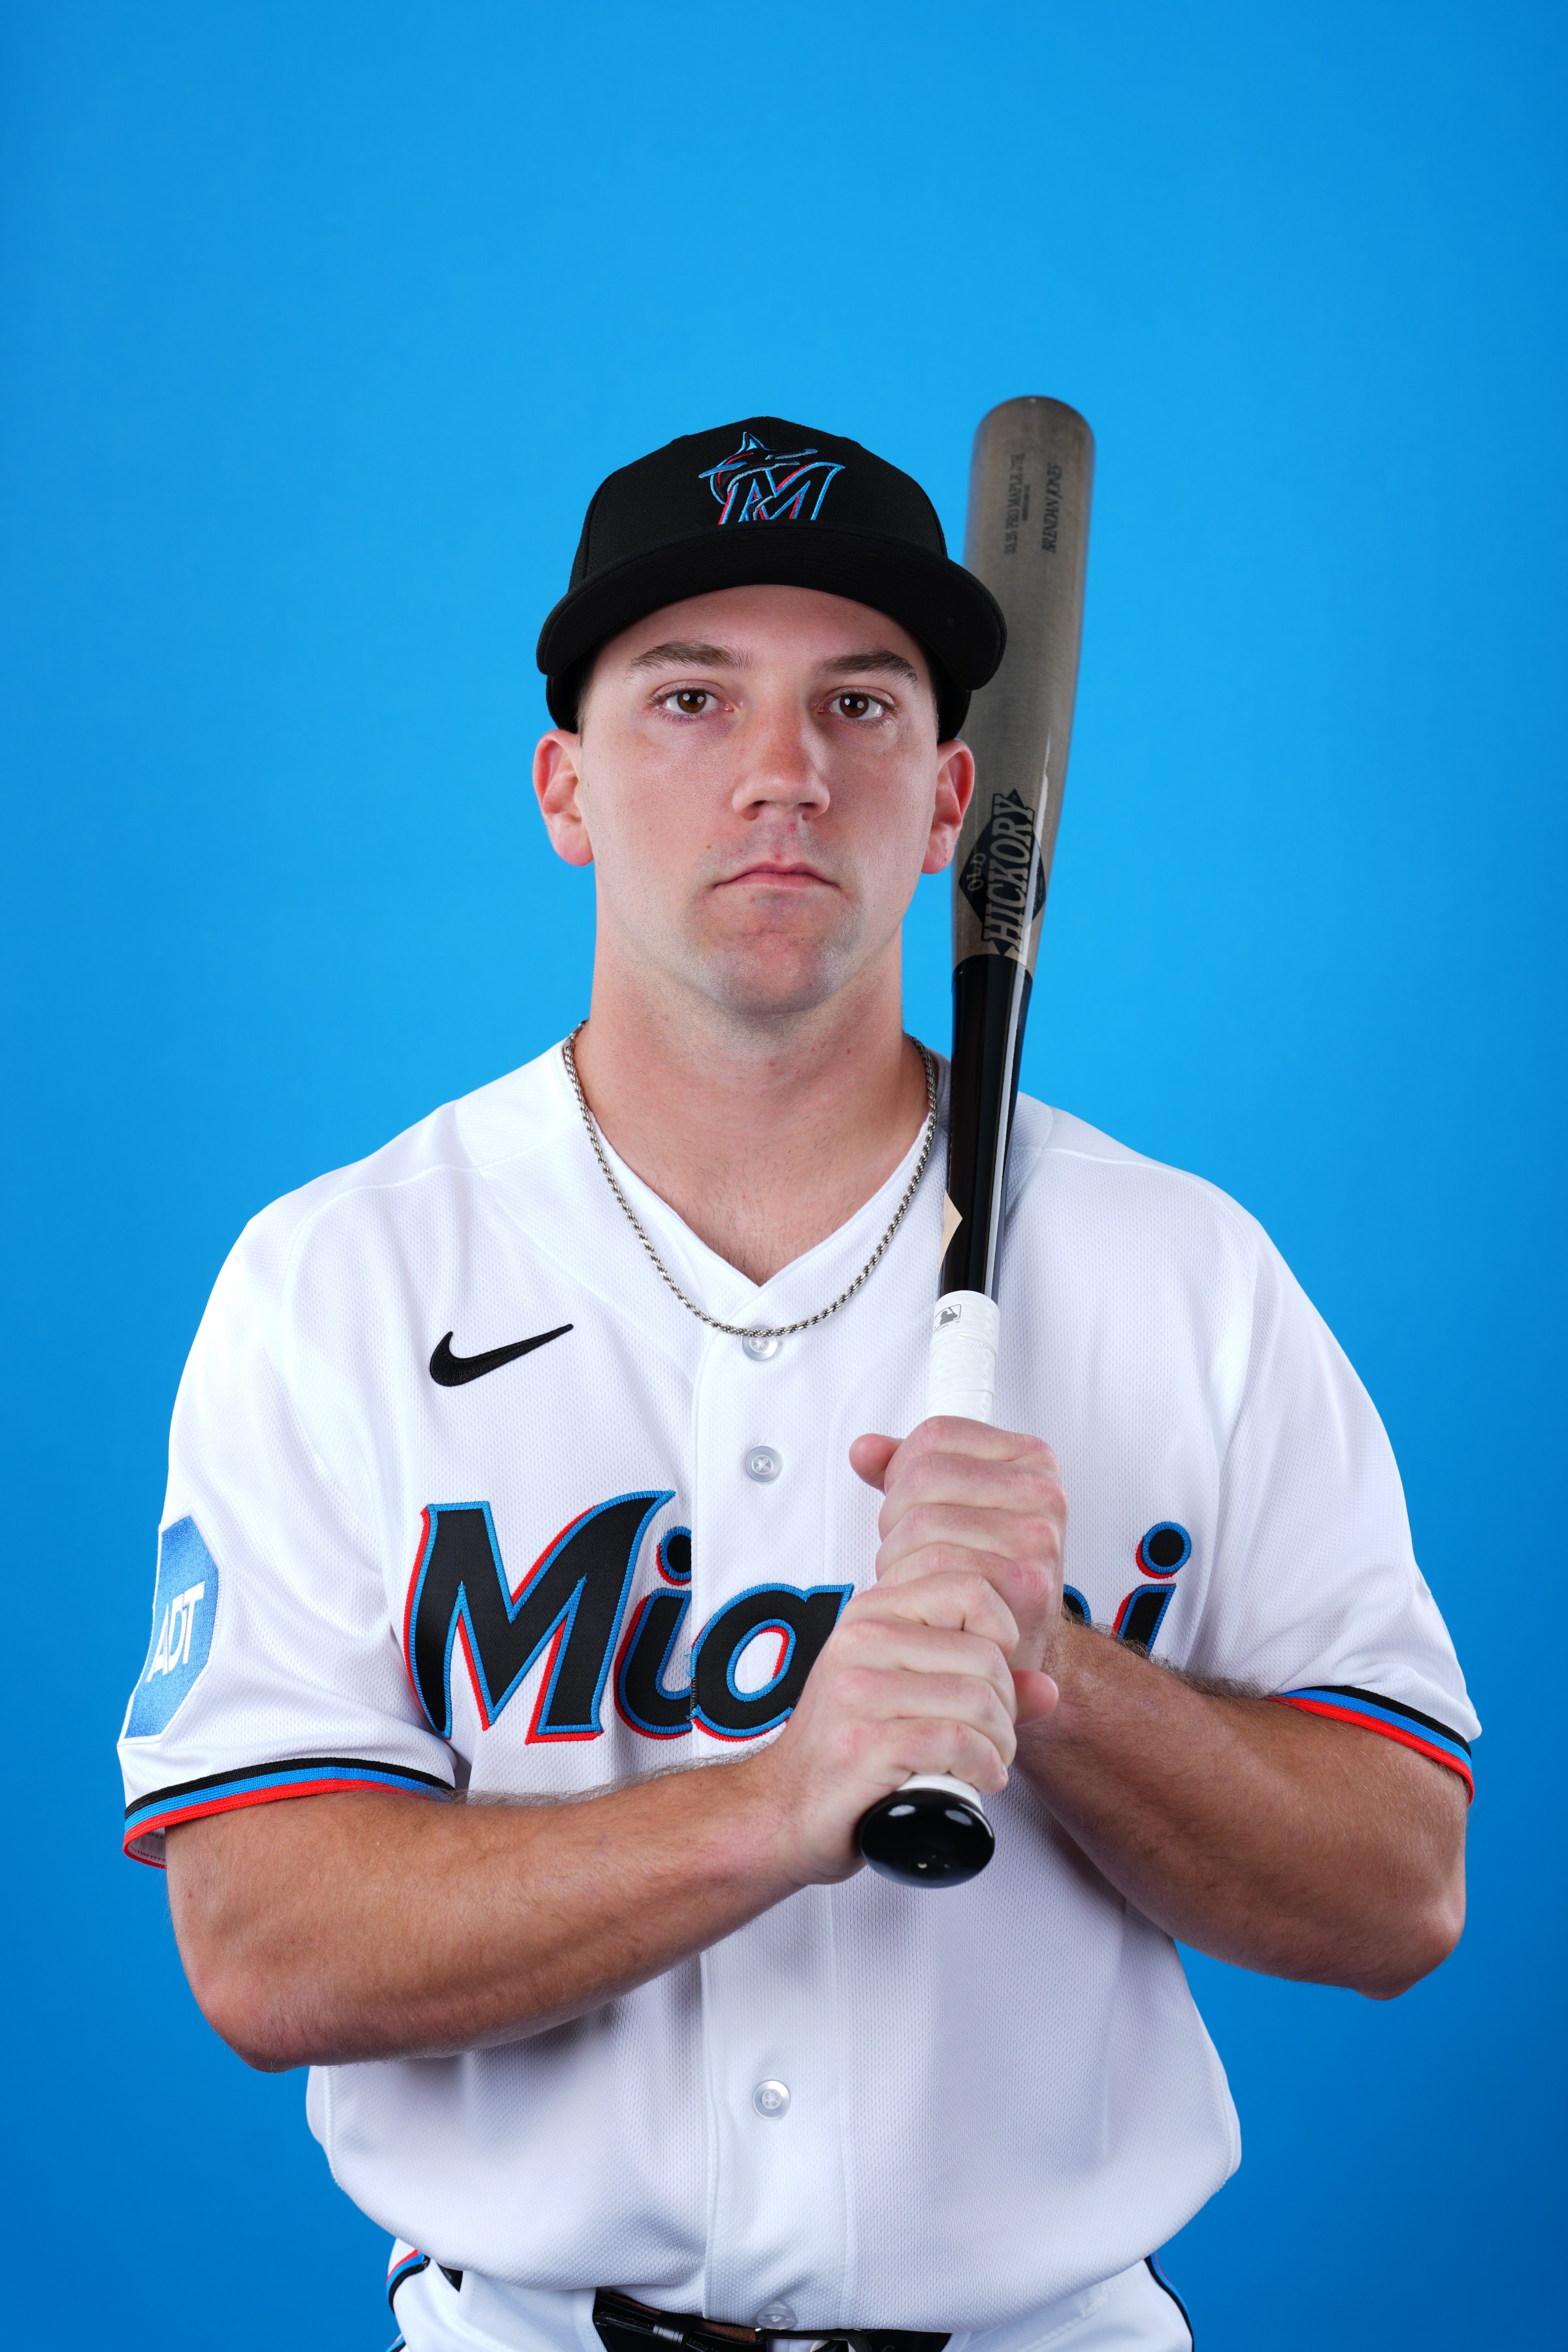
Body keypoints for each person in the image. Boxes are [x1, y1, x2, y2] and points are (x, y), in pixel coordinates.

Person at [119, 417, 1477, 2352]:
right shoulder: (340, 1279)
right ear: (564, 787)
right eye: (689, 698)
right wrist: (782, 1803)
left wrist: (1055, 1672)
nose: (780, 773)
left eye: (858, 703)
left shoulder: (1189, 1274)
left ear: (947, 802)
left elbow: (1400, 1888)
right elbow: (262, 1944)